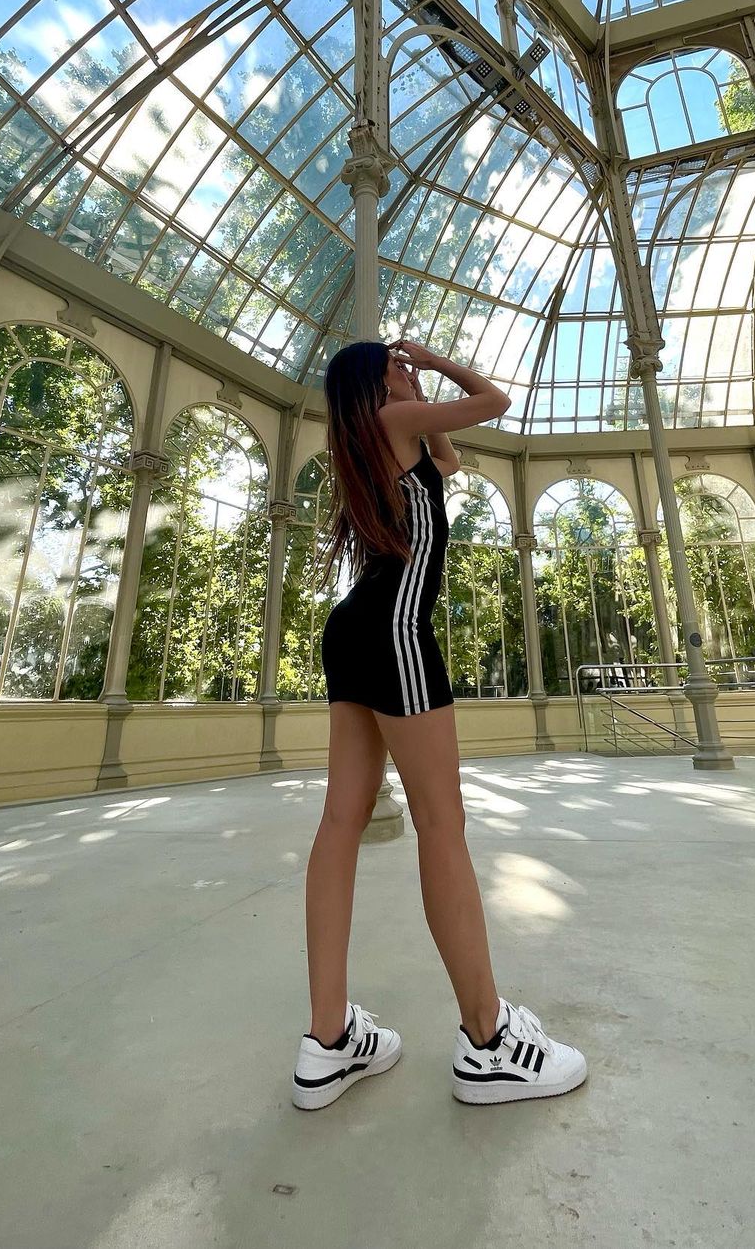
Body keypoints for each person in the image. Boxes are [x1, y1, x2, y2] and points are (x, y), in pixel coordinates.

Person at [291, 337, 588, 1110]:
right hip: (395, 632)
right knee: (441, 823)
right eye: (397, 364)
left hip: (354, 630)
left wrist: (415, 388)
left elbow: (450, 462)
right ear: (376, 380)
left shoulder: (382, 437)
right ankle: (488, 1042)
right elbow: (496, 402)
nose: (410, 371)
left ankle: (327, 1040)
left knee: (340, 821)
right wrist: (438, 361)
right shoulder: (394, 420)